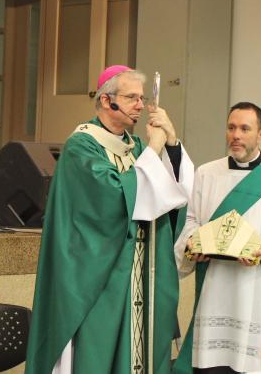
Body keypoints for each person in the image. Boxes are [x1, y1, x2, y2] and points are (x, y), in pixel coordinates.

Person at [27, 65, 194, 374]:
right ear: (107, 100)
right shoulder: (82, 146)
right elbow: (116, 199)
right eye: (132, 98)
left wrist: (170, 143)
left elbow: (173, 198)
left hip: (137, 278)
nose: (141, 106)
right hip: (98, 281)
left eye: (142, 99)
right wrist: (155, 147)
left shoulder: (136, 148)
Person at [174, 102, 261, 374]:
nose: (236, 134)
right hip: (215, 290)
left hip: (258, 291)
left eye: (245, 128)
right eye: (231, 127)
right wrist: (192, 243)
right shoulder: (207, 173)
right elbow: (191, 220)